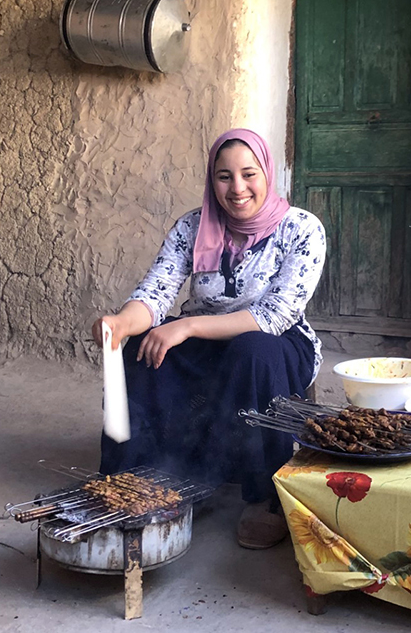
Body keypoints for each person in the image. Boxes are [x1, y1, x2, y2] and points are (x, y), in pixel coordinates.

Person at [91, 128, 326, 549]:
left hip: (276, 344)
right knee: (139, 353)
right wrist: (122, 322)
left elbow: (275, 314)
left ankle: (265, 497)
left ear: (267, 174)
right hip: (207, 341)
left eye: (249, 174)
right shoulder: (192, 226)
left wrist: (186, 326)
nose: (237, 188)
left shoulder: (302, 228)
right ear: (211, 179)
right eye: (224, 176)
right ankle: (139, 482)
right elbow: (156, 292)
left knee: (252, 353)